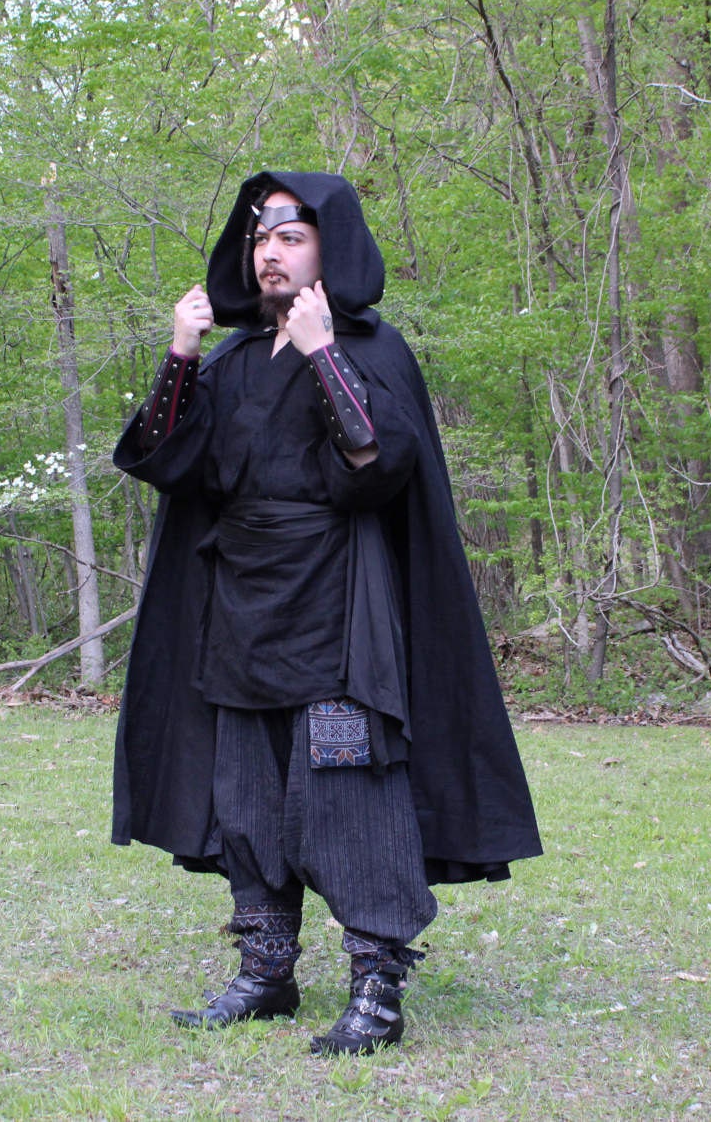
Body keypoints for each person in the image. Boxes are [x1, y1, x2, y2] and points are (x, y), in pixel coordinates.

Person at [111, 171, 541, 1056]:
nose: (268, 252)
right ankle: (266, 973)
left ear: (329, 248)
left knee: (348, 793)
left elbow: (375, 467)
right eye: (259, 239)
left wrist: (321, 352)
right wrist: (181, 355)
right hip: (240, 610)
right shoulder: (232, 362)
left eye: (291, 236)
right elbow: (163, 461)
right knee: (246, 796)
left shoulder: (371, 350)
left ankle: (377, 990)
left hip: (339, 609)